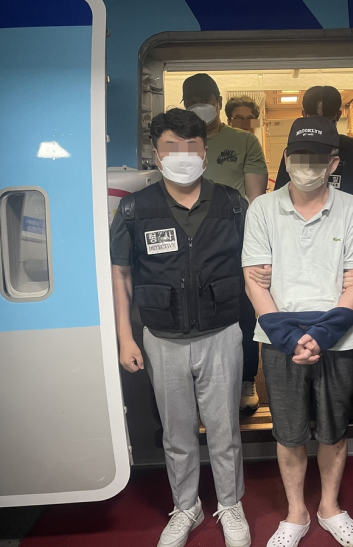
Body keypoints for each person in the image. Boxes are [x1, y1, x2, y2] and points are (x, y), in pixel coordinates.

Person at [110, 108, 251, 547]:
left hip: (221, 333)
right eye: (172, 147)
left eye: (192, 147)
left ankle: (230, 504)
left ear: (205, 154)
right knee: (177, 434)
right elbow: (120, 274)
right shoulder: (135, 209)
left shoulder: (232, 204)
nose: (183, 155)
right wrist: (125, 337)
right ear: (157, 155)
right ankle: (186, 506)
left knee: (225, 431)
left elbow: (254, 264)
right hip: (162, 338)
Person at [242, 116, 353, 547]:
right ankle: (296, 512)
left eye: (317, 158)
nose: (306, 165)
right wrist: (289, 338)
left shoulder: (351, 208)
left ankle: (330, 507)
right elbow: (253, 281)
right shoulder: (262, 209)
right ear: (285, 158)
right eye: (299, 156)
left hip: (337, 337)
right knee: (289, 431)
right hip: (279, 337)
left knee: (334, 430)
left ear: (333, 163)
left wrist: (321, 335)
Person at [275, 85, 353, 423]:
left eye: (327, 116)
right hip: (298, 256)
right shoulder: (294, 153)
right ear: (302, 115)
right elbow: (284, 198)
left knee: (341, 338)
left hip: (338, 251)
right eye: (313, 115)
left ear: (338, 116)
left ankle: (346, 410)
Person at [182, 73, 268, 413]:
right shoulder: (180, 142)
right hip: (189, 242)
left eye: (205, 99)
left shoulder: (244, 141)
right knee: (195, 310)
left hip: (234, 241)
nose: (200, 105)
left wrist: (256, 246)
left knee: (242, 310)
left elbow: (256, 200)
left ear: (218, 101)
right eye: (192, 101)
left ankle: (246, 381)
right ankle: (200, 383)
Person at [274, 85, 353, 207]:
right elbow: (280, 196)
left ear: (338, 115)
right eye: (315, 121)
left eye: (327, 121)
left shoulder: (352, 150)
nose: (321, 129)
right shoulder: (295, 151)